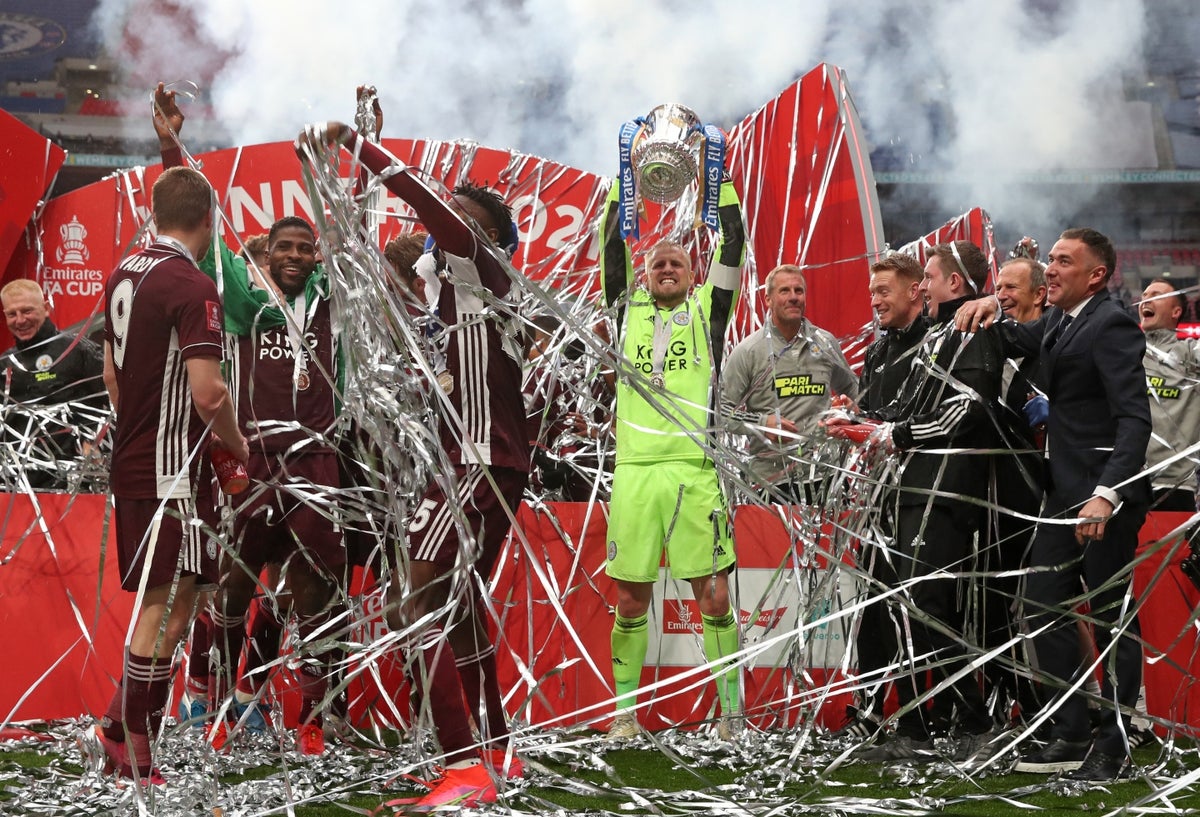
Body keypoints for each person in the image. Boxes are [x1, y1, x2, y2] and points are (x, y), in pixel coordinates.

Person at [300, 120, 529, 810]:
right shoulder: (458, 297)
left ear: (486, 237)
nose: (444, 225)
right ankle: (492, 752)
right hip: (479, 459)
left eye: (464, 218)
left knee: (416, 596)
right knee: (457, 609)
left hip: (480, 461)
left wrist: (359, 148)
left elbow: (425, 204)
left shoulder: (480, 266)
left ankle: (462, 766)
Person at [153, 84, 345, 756]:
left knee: (316, 589)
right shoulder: (243, 301)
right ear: (268, 257)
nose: (293, 256)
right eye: (282, 248)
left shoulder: (334, 307)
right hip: (257, 459)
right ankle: (214, 693)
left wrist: (335, 159)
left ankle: (311, 717)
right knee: (234, 584)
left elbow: (351, 233)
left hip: (319, 461)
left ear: (316, 258)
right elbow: (201, 233)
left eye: (304, 249)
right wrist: (172, 146)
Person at [957, 227, 1151, 781]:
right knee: (1040, 608)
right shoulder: (1063, 322)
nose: (1051, 270)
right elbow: (1019, 336)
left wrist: (1105, 495)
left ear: (1096, 274)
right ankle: (1069, 731)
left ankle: (1113, 745)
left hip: (1098, 501)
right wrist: (991, 300)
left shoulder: (1110, 323)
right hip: (1062, 494)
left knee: (1112, 621)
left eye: (1064, 262)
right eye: (1051, 260)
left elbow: (1135, 419)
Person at [87, 164, 248, 785]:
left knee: (185, 598)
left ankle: (116, 721)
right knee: (162, 604)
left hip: (149, 460)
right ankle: (131, 748)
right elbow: (209, 394)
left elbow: (110, 377)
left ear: (155, 214)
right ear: (210, 219)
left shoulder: (124, 272)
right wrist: (240, 446)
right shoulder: (189, 283)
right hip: (170, 470)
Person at [828, 240, 1003, 763]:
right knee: (885, 608)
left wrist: (889, 433)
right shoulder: (892, 345)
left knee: (926, 609)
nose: (922, 286)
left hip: (940, 488)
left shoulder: (965, 330)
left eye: (925, 278)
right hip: (895, 490)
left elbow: (963, 411)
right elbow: (897, 412)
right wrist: (859, 420)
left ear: (949, 284)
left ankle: (969, 720)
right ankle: (903, 723)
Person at [596, 169, 746, 741]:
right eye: (656, 262)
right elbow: (611, 242)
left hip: (693, 470)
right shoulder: (623, 311)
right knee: (631, 599)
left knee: (712, 593)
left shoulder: (709, 312)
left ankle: (730, 713)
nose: (665, 268)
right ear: (644, 274)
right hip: (634, 472)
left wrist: (719, 178)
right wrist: (623, 178)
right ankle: (624, 715)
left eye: (677, 263)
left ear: (693, 275)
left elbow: (733, 241)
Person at [829, 252, 927, 741]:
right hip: (879, 497)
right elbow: (879, 413)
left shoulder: (934, 343)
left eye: (884, 291)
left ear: (914, 291)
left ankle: (916, 718)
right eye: (872, 292)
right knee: (871, 604)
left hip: (921, 494)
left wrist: (870, 425)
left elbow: (913, 422)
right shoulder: (879, 349)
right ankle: (867, 711)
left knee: (912, 606)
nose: (875, 300)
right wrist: (855, 412)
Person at [720, 263, 857, 501]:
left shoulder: (825, 342)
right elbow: (721, 413)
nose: (793, 297)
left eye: (799, 291)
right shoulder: (748, 351)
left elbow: (855, 390)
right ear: (768, 299)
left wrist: (852, 414)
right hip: (770, 482)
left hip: (825, 477)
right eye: (784, 291)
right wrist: (763, 423)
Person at [0, 279, 106, 488]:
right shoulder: (5, 364)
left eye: (27, 311)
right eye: (12, 314)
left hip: (75, 481)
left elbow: (115, 404)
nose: (20, 320)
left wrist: (94, 441)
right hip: (17, 484)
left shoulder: (79, 350)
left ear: (46, 308)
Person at [1139, 278, 1200, 510]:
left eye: (1156, 295)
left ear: (1176, 311)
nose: (1146, 299)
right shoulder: (1124, 355)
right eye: (1144, 295)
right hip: (1120, 482)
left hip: (1174, 486)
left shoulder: (1191, 355)